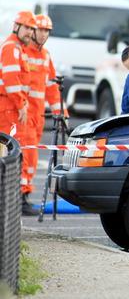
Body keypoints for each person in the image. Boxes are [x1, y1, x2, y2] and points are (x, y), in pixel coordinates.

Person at [22, 14, 67, 215]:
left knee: (31, 157)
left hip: (38, 115)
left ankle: (23, 195)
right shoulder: (22, 52)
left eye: (47, 31)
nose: (43, 34)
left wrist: (60, 112)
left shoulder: (45, 55)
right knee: (26, 155)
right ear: (33, 30)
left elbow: (51, 87)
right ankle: (20, 196)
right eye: (40, 30)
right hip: (21, 114)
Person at [0, 11, 35, 214]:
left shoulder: (18, 48)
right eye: (27, 27)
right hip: (9, 108)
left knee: (14, 152)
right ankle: (11, 203)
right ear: (17, 27)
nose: (30, 32)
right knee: (9, 152)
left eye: (31, 28)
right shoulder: (11, 48)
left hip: (12, 107)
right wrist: (21, 104)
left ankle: (14, 201)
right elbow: (12, 80)